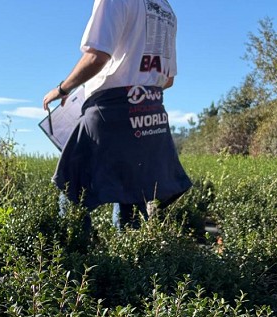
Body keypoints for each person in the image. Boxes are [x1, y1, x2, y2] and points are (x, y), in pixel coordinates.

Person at [43, 0, 191, 230]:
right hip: (150, 112)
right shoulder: (166, 10)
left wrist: (63, 88)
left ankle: (77, 255)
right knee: (133, 194)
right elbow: (168, 80)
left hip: (110, 111)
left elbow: (97, 57)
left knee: (73, 189)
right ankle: (132, 261)